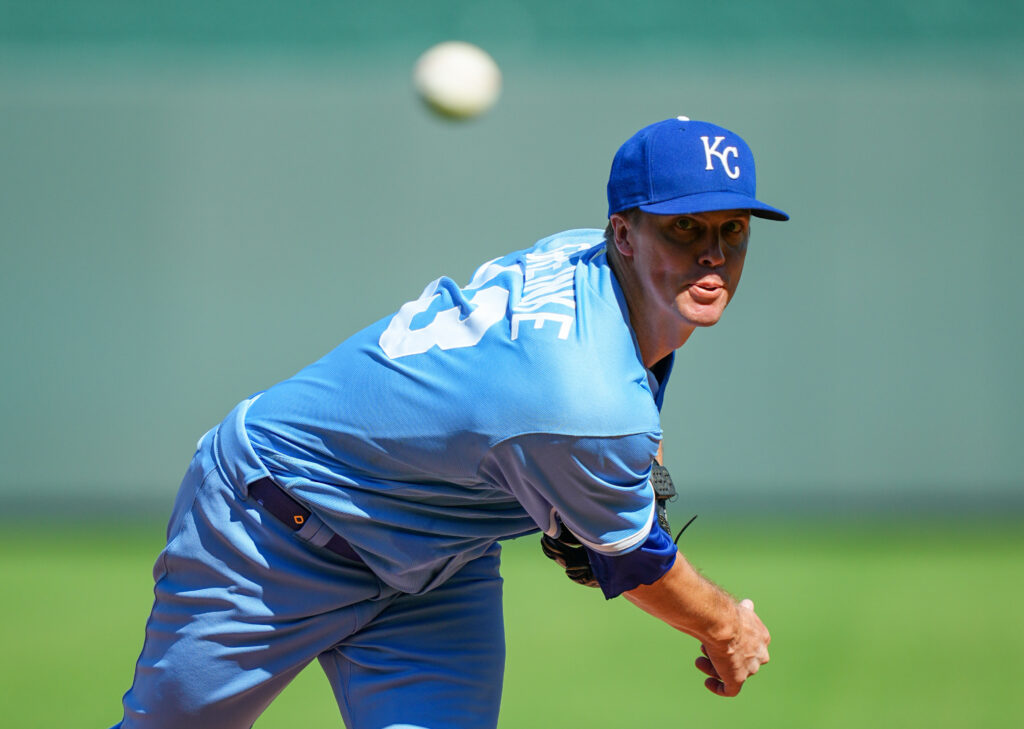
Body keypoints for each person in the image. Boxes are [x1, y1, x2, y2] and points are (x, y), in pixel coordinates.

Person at [113, 116, 789, 729]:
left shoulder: (591, 263)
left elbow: (623, 404)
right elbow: (635, 561)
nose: (713, 252)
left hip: (434, 561)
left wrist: (624, 487)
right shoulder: (580, 394)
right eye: (685, 227)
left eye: (733, 229)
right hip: (271, 526)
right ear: (623, 233)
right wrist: (728, 626)